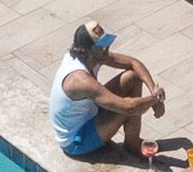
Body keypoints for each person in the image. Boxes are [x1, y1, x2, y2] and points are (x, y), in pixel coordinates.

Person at [48, 22, 163, 159]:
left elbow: (134, 63)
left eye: (106, 42)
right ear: (86, 50)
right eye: (101, 46)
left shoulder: (91, 56)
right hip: (77, 140)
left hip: (89, 113)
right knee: (129, 104)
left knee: (132, 77)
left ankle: (131, 142)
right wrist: (155, 100)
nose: (107, 48)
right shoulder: (80, 80)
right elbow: (129, 108)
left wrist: (154, 90)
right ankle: (132, 147)